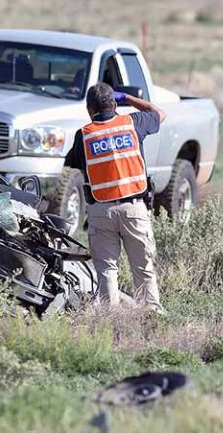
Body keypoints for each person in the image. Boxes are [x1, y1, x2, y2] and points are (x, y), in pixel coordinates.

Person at [65, 82, 166, 313]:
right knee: (143, 268)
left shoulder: (83, 136)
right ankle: (151, 317)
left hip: (100, 212)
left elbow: (74, 166)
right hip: (134, 210)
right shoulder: (133, 123)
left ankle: (111, 322)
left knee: (107, 272)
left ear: (90, 109)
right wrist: (129, 99)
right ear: (114, 103)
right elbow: (159, 113)